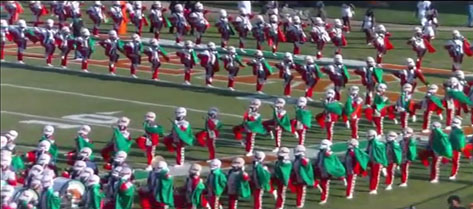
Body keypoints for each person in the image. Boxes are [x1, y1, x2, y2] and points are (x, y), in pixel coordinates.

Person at [315, 139, 346, 204]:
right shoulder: (320, 153)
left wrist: (327, 153)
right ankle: (323, 195)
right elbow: (318, 160)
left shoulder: (330, 154)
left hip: (326, 171)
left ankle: (324, 198)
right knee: (320, 183)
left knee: (325, 185)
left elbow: (331, 160)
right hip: (320, 170)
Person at [365, 130, 388, 195]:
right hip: (371, 161)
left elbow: (381, 149)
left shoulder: (378, 143)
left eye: (369, 136)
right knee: (370, 175)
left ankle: (374, 189)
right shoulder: (370, 143)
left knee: (375, 176)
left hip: (377, 162)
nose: (368, 138)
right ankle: (372, 187)